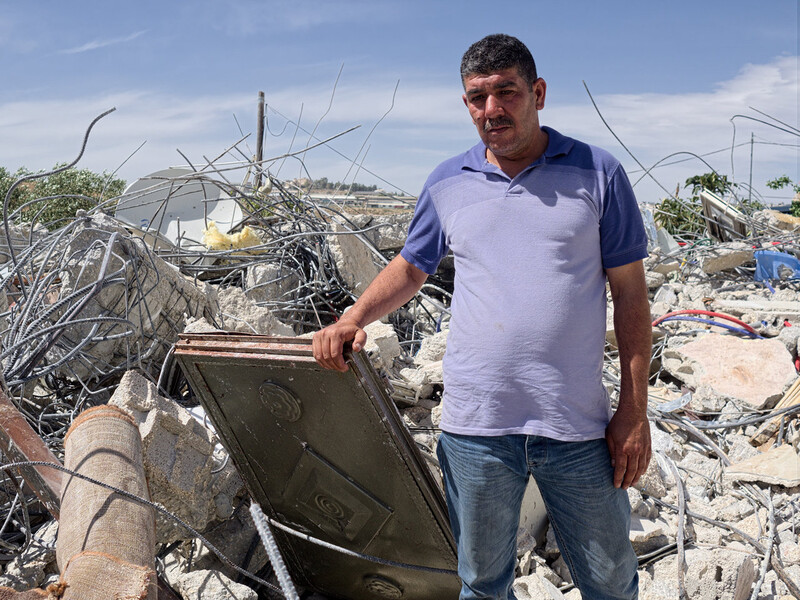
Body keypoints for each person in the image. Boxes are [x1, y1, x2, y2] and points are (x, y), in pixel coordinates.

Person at [313, 33, 652, 600]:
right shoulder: (448, 182)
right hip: (476, 427)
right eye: (477, 97)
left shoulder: (599, 173)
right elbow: (412, 265)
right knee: (481, 583)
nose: (492, 109)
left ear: (537, 93)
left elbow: (632, 298)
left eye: (506, 92)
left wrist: (634, 411)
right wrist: (354, 317)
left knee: (612, 581)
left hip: (576, 426)